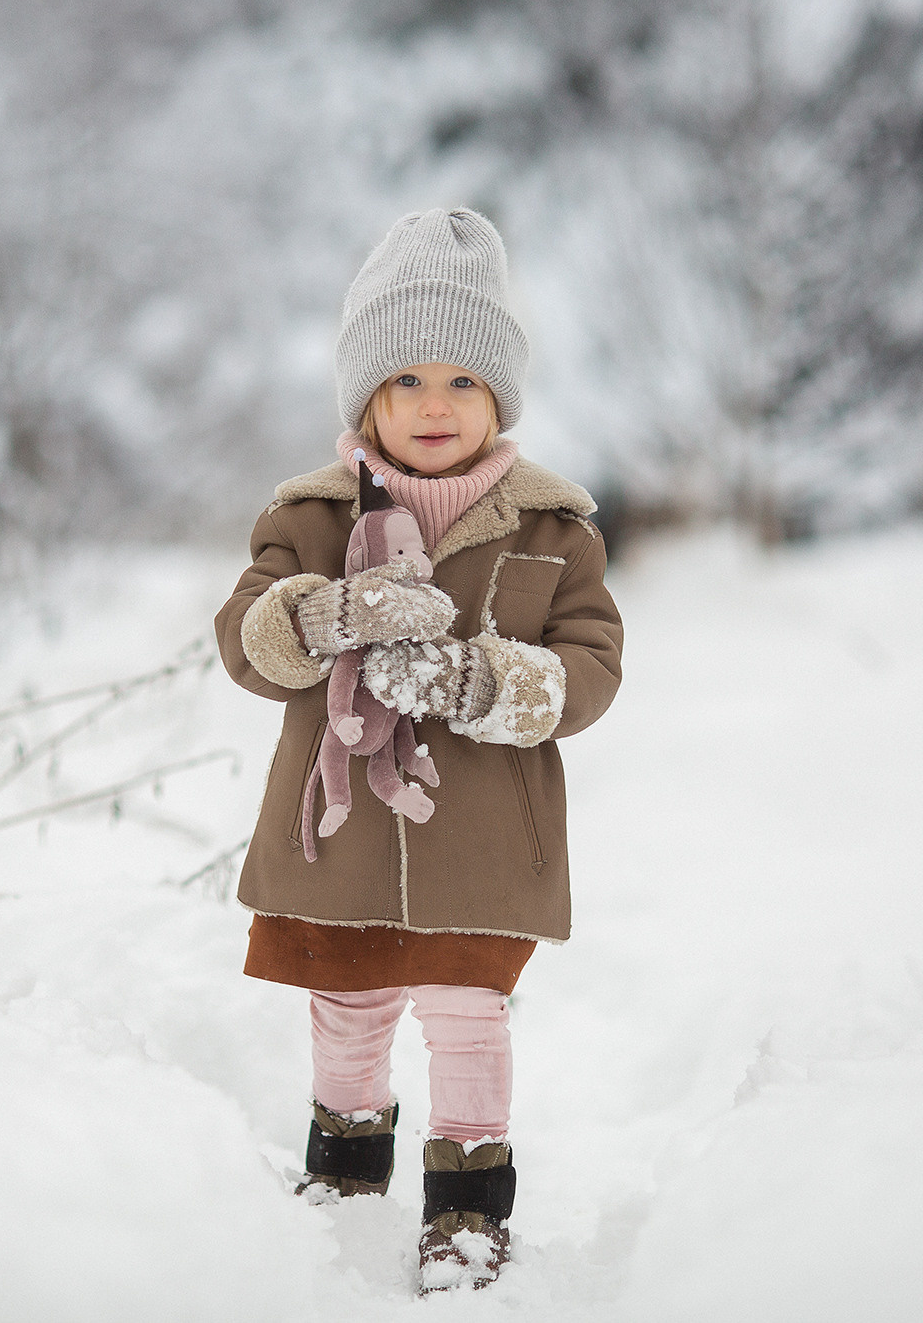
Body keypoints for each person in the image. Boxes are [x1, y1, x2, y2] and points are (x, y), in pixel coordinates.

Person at [213, 208, 623, 1293]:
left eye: (461, 381)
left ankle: (467, 1213)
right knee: (347, 1009)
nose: (434, 405)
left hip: (479, 838)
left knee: (467, 1016)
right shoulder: (307, 518)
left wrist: (485, 681)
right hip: (340, 837)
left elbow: (591, 664)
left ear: (499, 396)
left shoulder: (553, 530)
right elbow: (245, 640)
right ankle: (343, 1185)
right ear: (366, 398)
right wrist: (324, 615)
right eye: (406, 380)